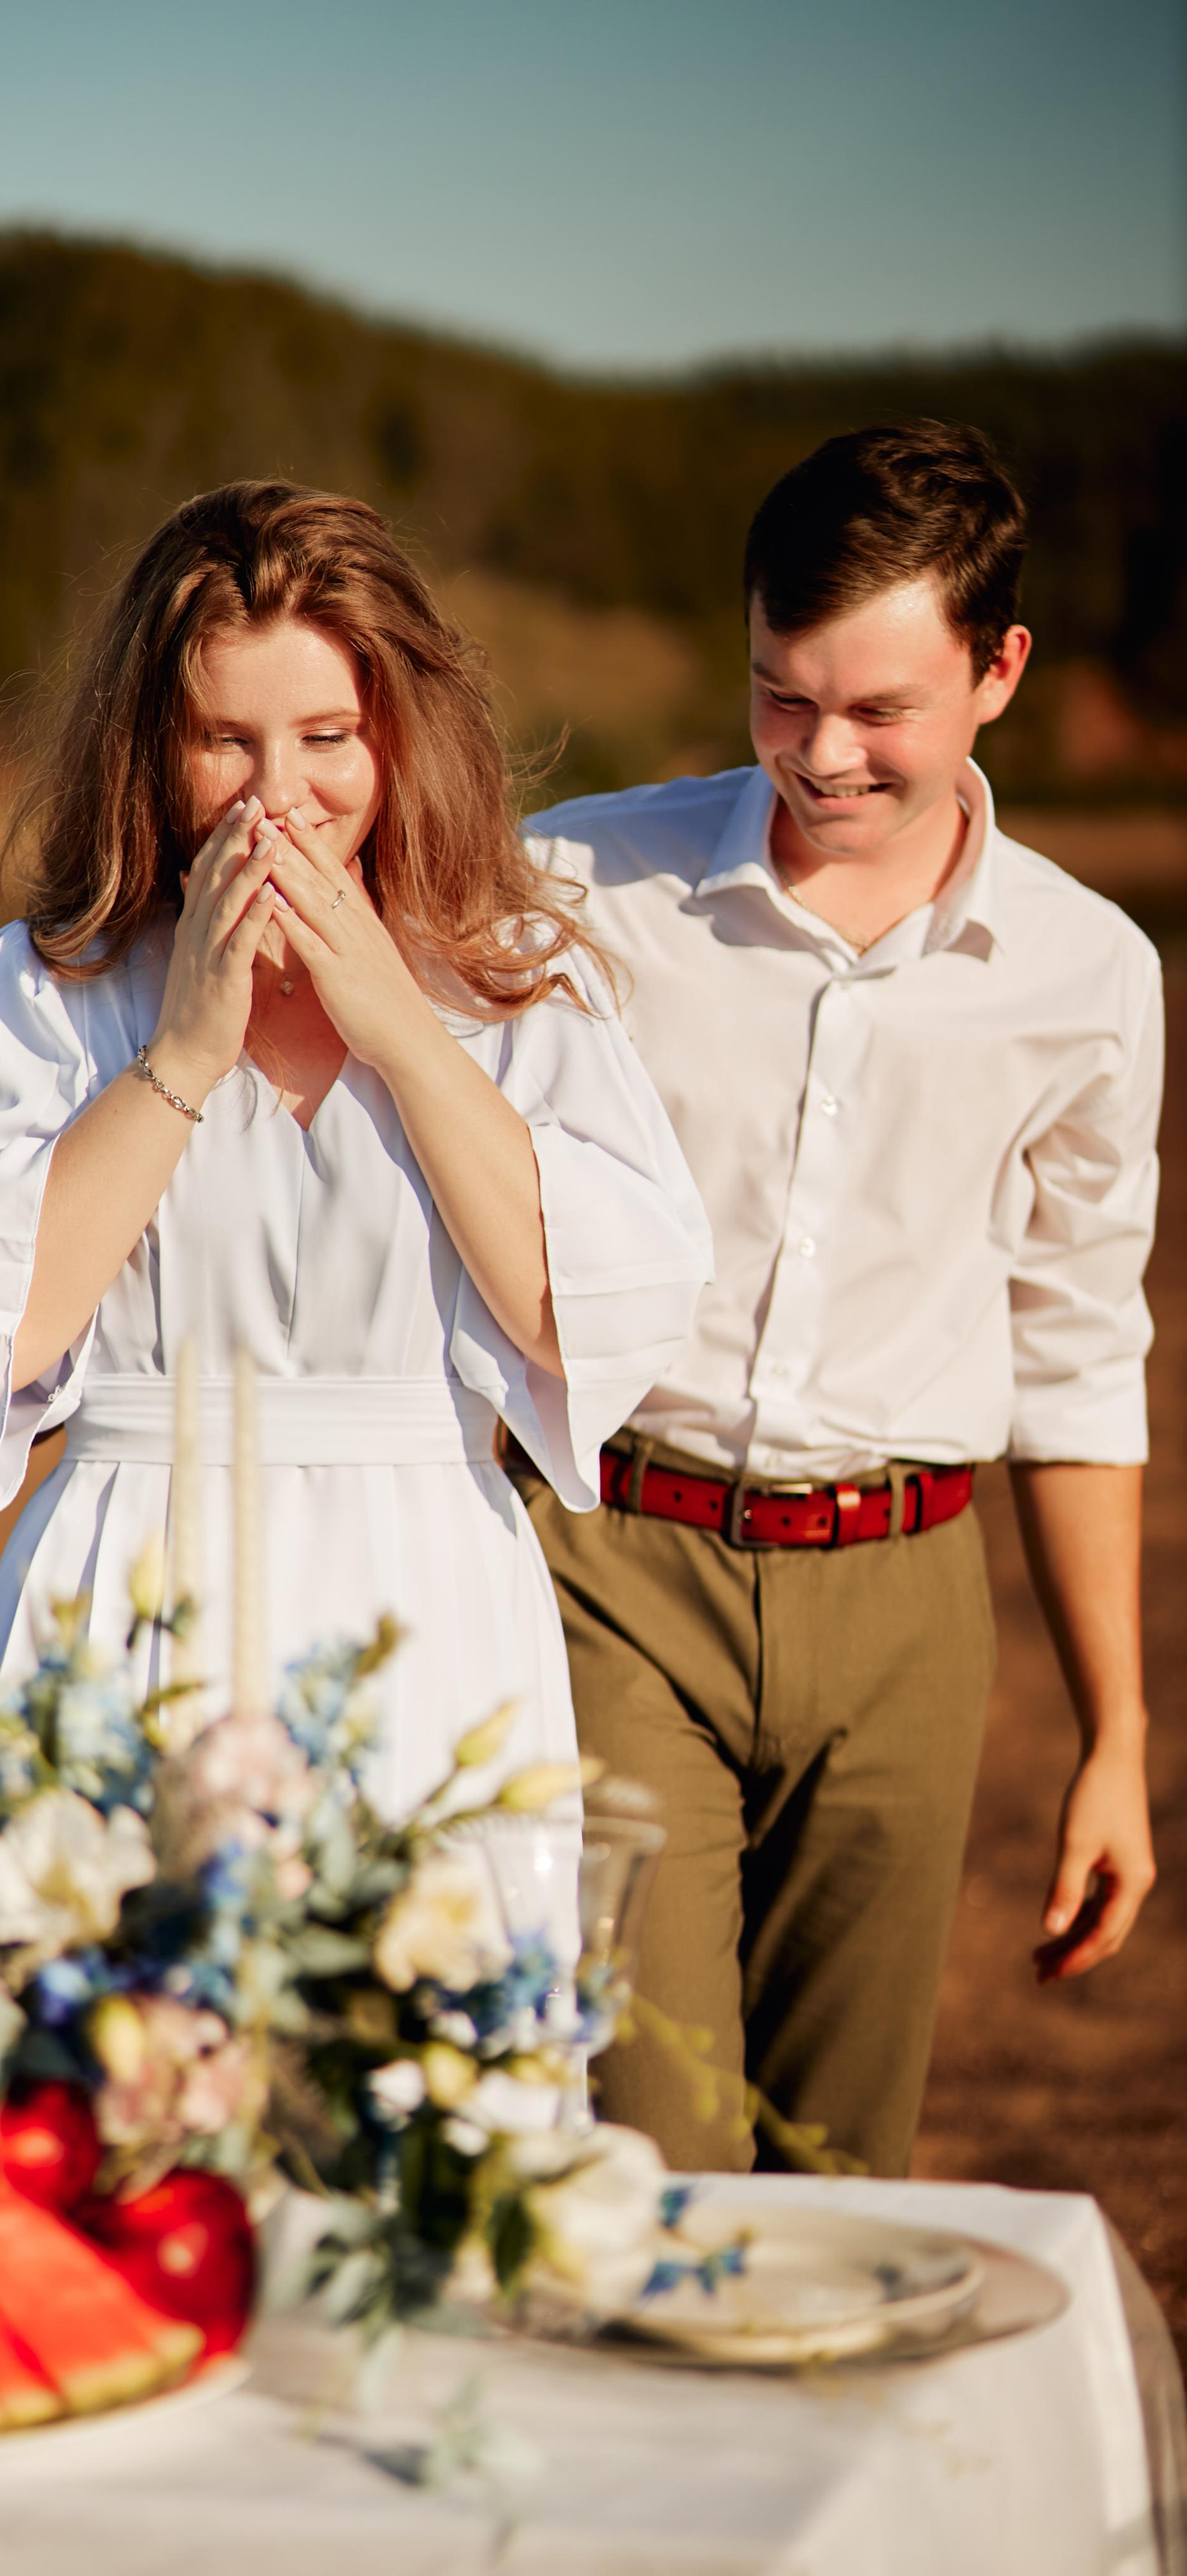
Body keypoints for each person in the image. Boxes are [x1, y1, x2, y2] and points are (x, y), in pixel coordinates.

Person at [0, 480, 712, 1821]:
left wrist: (406, 1038)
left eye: (325, 737)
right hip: (127, 1590)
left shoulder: (510, 983)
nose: (281, 796)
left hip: (429, 1615)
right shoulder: (47, 986)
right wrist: (181, 1054)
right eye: (225, 741)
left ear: (396, 737)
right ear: (151, 743)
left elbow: (571, 1320)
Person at [515, 420, 1161, 2176]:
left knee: (842, 2183)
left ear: (1000, 670)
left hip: (908, 1623)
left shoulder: (1092, 975)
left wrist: (1115, 1739)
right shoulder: (575, 889)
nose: (822, 756)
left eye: (879, 709)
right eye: (782, 697)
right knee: (644, 2160)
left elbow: (1083, 1354)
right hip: (612, 1581)